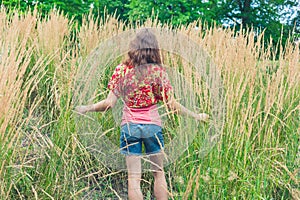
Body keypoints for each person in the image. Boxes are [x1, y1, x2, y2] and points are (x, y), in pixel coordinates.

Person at [75, 28, 209, 200]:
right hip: (152, 127)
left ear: (134, 46)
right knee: (158, 173)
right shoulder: (158, 72)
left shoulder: (122, 70)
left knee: (133, 178)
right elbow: (172, 105)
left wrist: (87, 107)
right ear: (154, 49)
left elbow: (109, 103)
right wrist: (197, 116)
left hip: (129, 127)